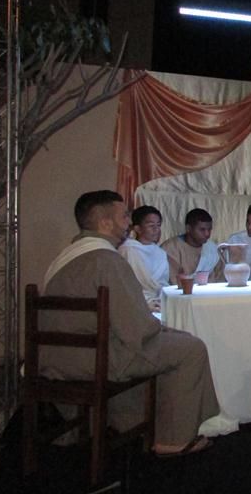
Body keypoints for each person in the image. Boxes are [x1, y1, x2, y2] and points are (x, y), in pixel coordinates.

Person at [41, 190, 219, 456]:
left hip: (53, 357)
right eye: (124, 216)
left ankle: (125, 423)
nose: (129, 222)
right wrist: (167, 330)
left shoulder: (64, 258)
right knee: (191, 348)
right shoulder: (107, 260)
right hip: (94, 360)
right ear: (105, 223)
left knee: (168, 343)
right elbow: (137, 329)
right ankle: (174, 439)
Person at [118, 205, 169, 312]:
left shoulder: (160, 253)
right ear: (138, 228)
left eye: (158, 225)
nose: (156, 229)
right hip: (135, 302)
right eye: (151, 225)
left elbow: (163, 283)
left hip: (159, 301)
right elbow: (127, 284)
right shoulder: (128, 249)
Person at [160, 208, 222, 284]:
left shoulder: (212, 249)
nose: (207, 234)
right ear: (188, 228)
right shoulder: (169, 248)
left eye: (209, 229)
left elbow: (221, 278)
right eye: (202, 230)